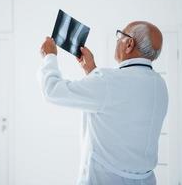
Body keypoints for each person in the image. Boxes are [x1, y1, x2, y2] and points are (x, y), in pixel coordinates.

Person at [38, 21, 168, 185]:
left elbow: (53, 91)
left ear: (129, 44)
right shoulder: (159, 84)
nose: (117, 40)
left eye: (120, 35)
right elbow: (120, 108)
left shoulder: (108, 81)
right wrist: (91, 70)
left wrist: (49, 57)